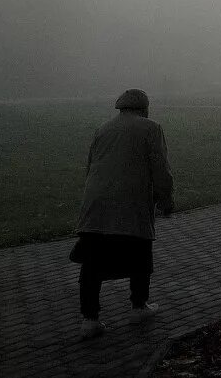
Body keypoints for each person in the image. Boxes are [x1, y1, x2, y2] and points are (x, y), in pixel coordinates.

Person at [69, 88, 174, 340]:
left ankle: (89, 319)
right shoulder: (151, 128)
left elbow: (90, 166)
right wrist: (166, 198)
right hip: (131, 203)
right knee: (139, 253)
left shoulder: (102, 129)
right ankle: (139, 307)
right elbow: (160, 168)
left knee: (92, 262)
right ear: (144, 108)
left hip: (95, 204)